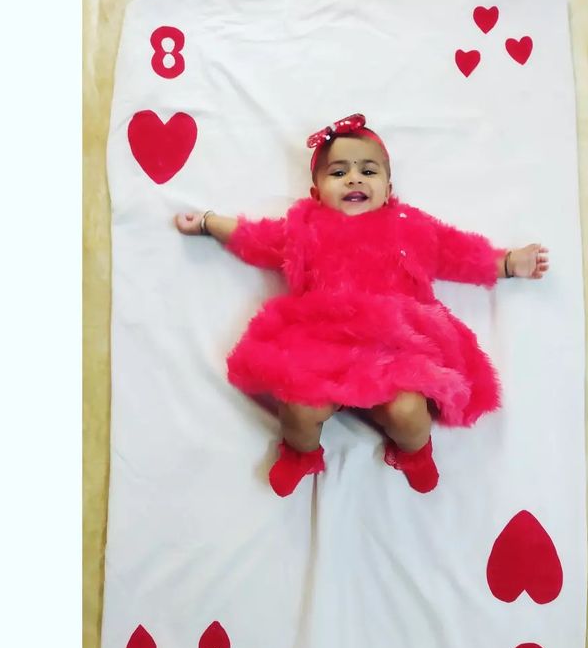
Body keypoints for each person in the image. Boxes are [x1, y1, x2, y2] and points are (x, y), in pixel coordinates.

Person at [174, 114, 549, 497]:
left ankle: (414, 452)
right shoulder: (304, 227)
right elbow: (256, 238)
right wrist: (207, 222)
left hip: (395, 347)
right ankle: (301, 452)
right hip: (320, 342)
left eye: (367, 171)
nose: (354, 179)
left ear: (388, 188)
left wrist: (505, 263)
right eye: (338, 173)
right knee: (298, 410)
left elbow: (457, 253)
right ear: (317, 193)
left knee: (408, 413)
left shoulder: (410, 226)